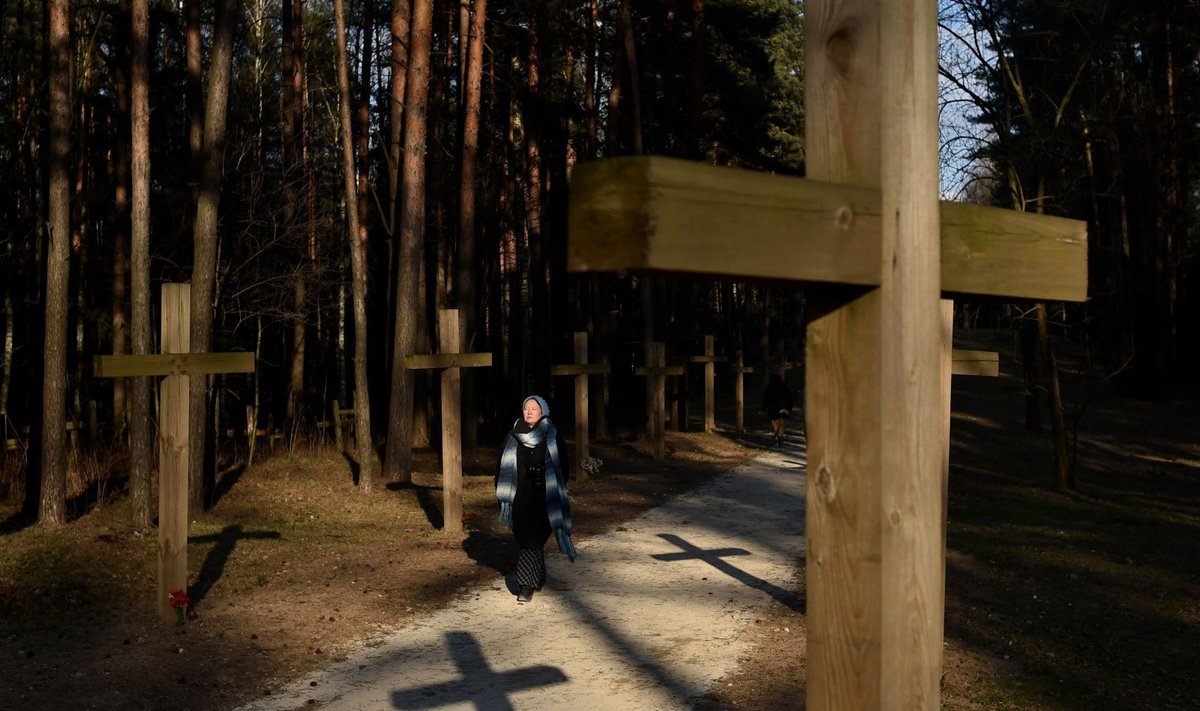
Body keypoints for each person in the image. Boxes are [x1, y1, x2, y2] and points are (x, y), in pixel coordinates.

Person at [495, 395, 577, 603]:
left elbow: (563, 467)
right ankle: (537, 576)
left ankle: (525, 586)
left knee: (533, 540)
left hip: (545, 498)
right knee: (526, 539)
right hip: (520, 497)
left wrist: (556, 488)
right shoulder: (513, 435)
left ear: (543, 412)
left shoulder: (552, 434)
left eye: (534, 408)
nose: (529, 412)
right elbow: (500, 467)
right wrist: (502, 493)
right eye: (526, 408)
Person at [761, 372, 794, 447]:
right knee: (782, 424)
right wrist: (789, 408)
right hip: (783, 408)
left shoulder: (769, 386)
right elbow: (789, 397)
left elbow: (765, 398)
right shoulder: (784, 386)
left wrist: (763, 408)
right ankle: (780, 436)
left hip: (772, 409)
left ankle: (776, 436)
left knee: (775, 424)